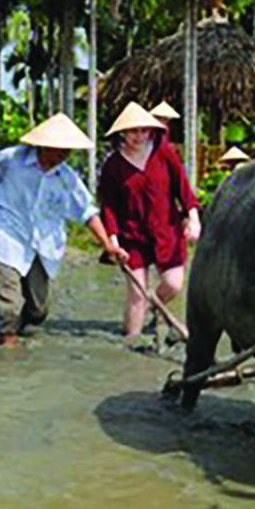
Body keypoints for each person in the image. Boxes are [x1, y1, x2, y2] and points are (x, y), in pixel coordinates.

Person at [0, 113, 127, 347]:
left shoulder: (66, 177)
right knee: (8, 305)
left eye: (68, 150)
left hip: (43, 246)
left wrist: (107, 244)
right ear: (43, 145)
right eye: (59, 149)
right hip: (8, 237)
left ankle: (14, 328)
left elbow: (87, 212)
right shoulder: (11, 160)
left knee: (39, 310)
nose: (64, 155)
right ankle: (7, 347)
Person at [97, 102, 202, 339]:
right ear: (122, 133)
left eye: (144, 130)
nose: (140, 136)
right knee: (136, 293)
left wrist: (193, 217)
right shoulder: (113, 166)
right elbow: (109, 207)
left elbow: (182, 189)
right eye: (133, 131)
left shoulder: (164, 152)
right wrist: (112, 240)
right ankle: (130, 344)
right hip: (131, 236)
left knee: (174, 284)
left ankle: (153, 309)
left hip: (167, 231)